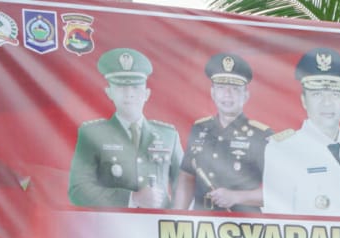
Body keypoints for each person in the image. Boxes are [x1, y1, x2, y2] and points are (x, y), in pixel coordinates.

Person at [262, 47, 340, 217]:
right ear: (304, 100)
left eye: (335, 94)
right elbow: (277, 220)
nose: (327, 103)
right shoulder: (283, 149)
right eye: (317, 94)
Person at [68, 47, 182, 208]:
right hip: (113, 228)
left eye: (135, 87)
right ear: (109, 92)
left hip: (160, 228)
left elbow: (185, 184)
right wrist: (132, 198)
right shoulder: (92, 134)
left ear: (147, 94)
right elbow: (78, 189)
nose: (129, 94)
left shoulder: (169, 136)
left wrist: (174, 218)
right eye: (121, 87)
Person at [172, 52, 272, 213]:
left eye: (234, 88)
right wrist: (177, 216)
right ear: (212, 92)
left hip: (244, 226)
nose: (227, 94)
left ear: (246, 95)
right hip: (201, 223)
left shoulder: (261, 135)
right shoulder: (200, 129)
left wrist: (236, 197)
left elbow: (279, 192)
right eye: (221, 87)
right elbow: (187, 177)